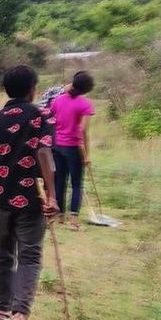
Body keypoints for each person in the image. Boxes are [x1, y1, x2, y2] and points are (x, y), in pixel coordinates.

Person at [0, 65, 59, 320]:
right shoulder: (40, 115)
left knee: (2, 255)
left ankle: (1, 313)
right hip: (29, 197)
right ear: (33, 88)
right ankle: (20, 317)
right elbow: (44, 151)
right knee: (29, 256)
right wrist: (52, 195)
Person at [49, 72, 96, 231]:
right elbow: (83, 130)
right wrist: (86, 155)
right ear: (87, 89)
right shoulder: (85, 104)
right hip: (73, 147)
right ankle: (74, 221)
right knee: (76, 184)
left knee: (59, 181)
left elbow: (51, 119)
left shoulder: (58, 100)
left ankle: (60, 216)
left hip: (57, 146)